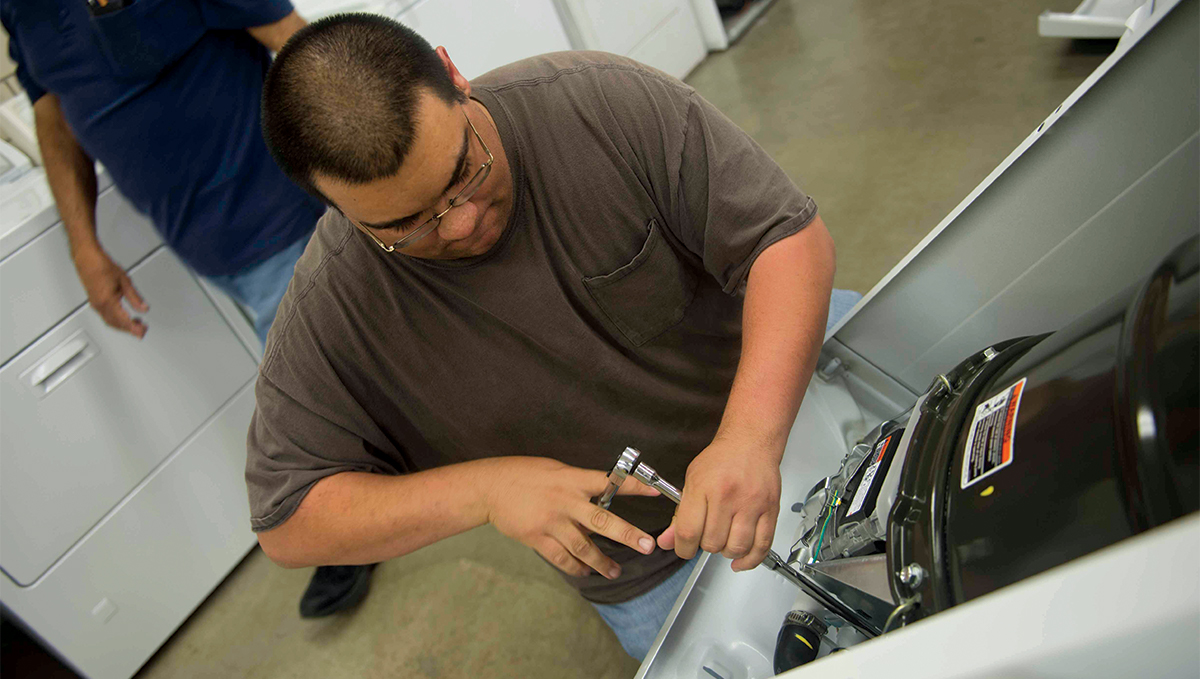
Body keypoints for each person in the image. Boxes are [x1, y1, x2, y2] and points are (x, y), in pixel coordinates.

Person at [249, 14, 853, 660]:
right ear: (337, 210)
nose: (461, 224)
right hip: (651, 558)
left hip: (787, 401)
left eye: (463, 173)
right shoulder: (336, 303)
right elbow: (288, 519)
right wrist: (486, 491)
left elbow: (786, 240)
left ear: (455, 77)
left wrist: (749, 436)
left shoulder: (598, 103)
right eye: (408, 225)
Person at [1, 0, 375, 619]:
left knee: (298, 390)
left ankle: (347, 528)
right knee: (332, 366)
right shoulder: (22, 9)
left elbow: (292, 37)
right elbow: (51, 106)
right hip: (203, 241)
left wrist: (378, 148)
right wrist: (83, 244)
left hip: (274, 206)